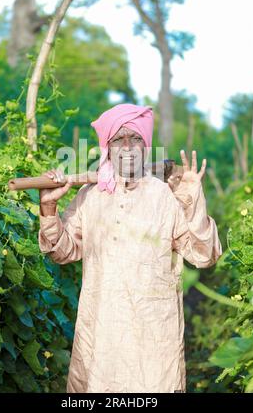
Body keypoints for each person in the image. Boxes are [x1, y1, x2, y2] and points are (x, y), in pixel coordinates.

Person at [38, 103, 222, 393]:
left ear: (145, 146)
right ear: (107, 147)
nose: (127, 146)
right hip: (101, 336)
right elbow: (62, 252)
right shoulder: (90, 196)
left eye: (135, 138)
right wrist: (48, 207)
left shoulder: (165, 196)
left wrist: (192, 202)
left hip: (153, 341)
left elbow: (204, 255)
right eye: (118, 139)